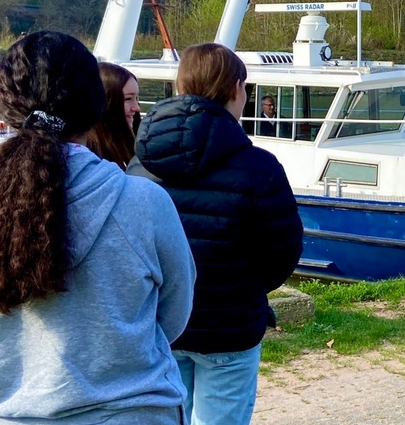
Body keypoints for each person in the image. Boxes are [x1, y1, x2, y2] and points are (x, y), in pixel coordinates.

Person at [0, 31, 195, 425]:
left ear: (4, 104)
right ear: (95, 107)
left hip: (8, 414)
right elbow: (174, 313)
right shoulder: (141, 201)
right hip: (130, 409)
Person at [128, 43, 303, 425]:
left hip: (162, 323)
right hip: (230, 323)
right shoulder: (259, 166)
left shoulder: (140, 163)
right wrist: (248, 288)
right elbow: (283, 250)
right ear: (236, 88)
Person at [85, 62, 141, 169]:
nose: (136, 108)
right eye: (128, 99)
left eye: (137, 98)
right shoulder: (91, 154)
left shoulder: (125, 141)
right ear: (105, 101)